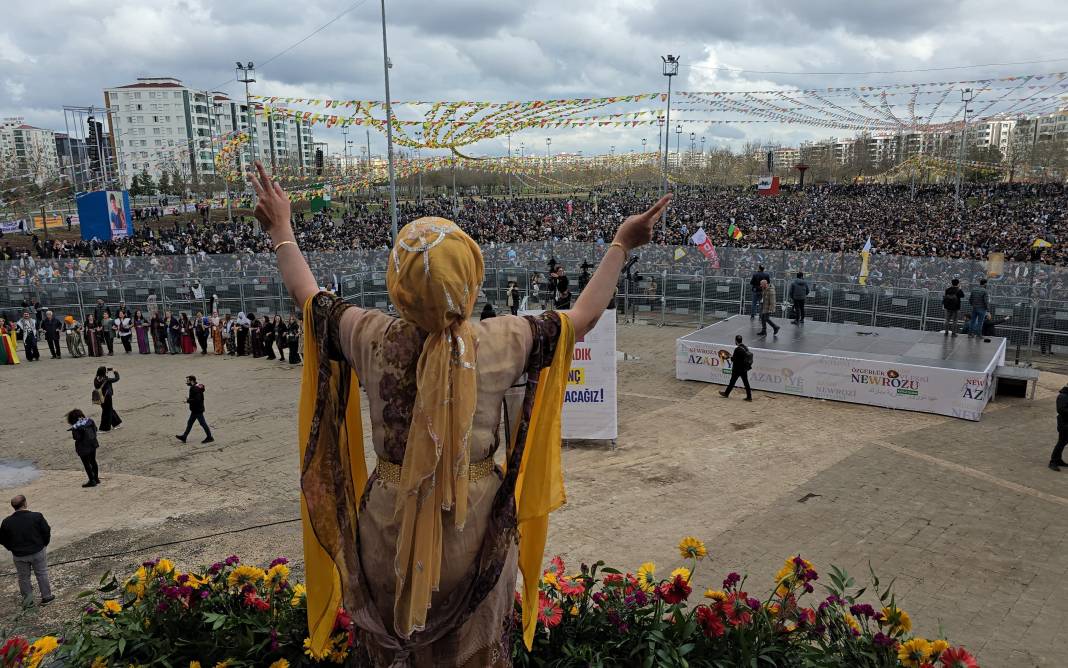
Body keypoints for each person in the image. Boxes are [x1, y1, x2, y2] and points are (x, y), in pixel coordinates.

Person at [250, 160, 669, 664]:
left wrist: (282, 230)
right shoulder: (502, 341)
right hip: (472, 526)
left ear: (396, 284)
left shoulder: (370, 336)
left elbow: (308, 296)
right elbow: (583, 318)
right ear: (470, 278)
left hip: (387, 522)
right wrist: (621, 244)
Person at [0, 495, 54, 608]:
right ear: (25, 503)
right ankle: (47, 596)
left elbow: (2, 539)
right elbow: (46, 531)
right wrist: (44, 544)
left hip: (19, 555)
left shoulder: (6, 522)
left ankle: (28, 602)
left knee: (23, 578)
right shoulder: (37, 516)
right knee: (42, 573)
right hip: (37, 551)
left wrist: (11, 548)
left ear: (13, 507)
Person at [66, 409, 101, 487]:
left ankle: (92, 480)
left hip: (83, 448)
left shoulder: (76, 427)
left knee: (86, 464)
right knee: (93, 461)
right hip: (93, 444)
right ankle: (96, 478)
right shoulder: (90, 421)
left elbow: (76, 437)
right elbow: (95, 429)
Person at [175, 375, 214, 444]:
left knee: (203, 423)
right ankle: (184, 437)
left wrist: (188, 400)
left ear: (192, 381)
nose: (187, 382)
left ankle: (209, 437)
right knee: (190, 422)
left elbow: (197, 399)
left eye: (188, 381)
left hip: (197, 410)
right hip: (196, 409)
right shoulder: (198, 386)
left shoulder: (194, 388)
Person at [718, 335, 753, 401]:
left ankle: (726, 393)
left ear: (736, 341)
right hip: (744, 369)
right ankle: (749, 397)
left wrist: (729, 357)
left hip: (737, 369)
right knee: (746, 383)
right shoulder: (745, 348)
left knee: (732, 381)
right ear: (741, 340)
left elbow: (734, 359)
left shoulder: (737, 349)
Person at [93, 366, 122, 432]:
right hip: (107, 397)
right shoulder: (106, 380)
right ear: (104, 372)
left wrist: (108, 370)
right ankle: (106, 428)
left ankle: (116, 424)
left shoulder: (96, 379)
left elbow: (101, 372)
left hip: (100, 397)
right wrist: (115, 371)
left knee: (108, 410)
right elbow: (117, 378)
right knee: (107, 411)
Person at [1050, 384, 1068, 471]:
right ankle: (1053, 462)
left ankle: (1058, 460)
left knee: (1063, 442)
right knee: (1061, 442)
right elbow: (1061, 410)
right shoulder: (1063, 396)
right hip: (1064, 423)